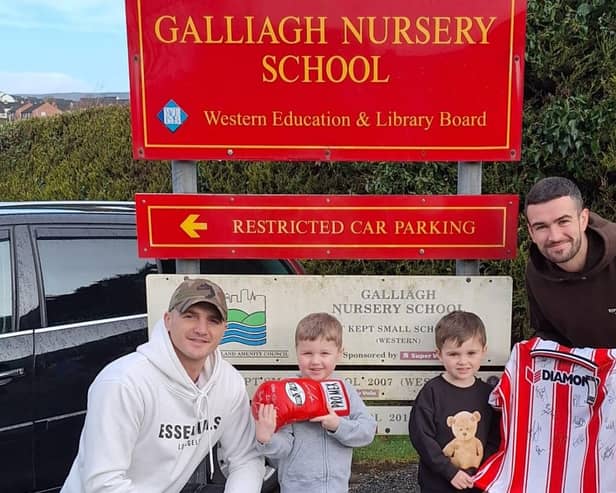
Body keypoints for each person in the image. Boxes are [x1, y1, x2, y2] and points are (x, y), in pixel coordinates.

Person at [61, 278, 264, 492]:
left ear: (224, 329)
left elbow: (247, 458)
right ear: (168, 320)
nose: (201, 329)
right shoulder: (123, 382)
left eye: (213, 320)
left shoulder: (228, 383)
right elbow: (103, 484)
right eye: (190, 316)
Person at [254, 312, 376, 493]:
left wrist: (338, 425)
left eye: (325, 353)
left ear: (339, 354)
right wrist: (266, 439)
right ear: (296, 352)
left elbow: (367, 431)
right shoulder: (285, 393)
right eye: (307, 353)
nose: (315, 361)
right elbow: (282, 448)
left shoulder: (345, 390)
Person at [408, 311, 500, 493]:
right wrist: (449, 471)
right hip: (438, 483)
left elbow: (495, 438)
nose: (463, 361)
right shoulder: (432, 392)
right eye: (453, 354)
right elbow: (422, 437)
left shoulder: (488, 394)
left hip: (476, 482)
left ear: (484, 351)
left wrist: (483, 471)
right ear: (439, 354)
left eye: (471, 353)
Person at [525, 176, 616, 347]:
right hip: (581, 371)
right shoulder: (536, 272)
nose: (554, 236)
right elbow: (548, 335)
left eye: (563, 221)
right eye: (541, 227)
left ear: (583, 219)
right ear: (531, 232)